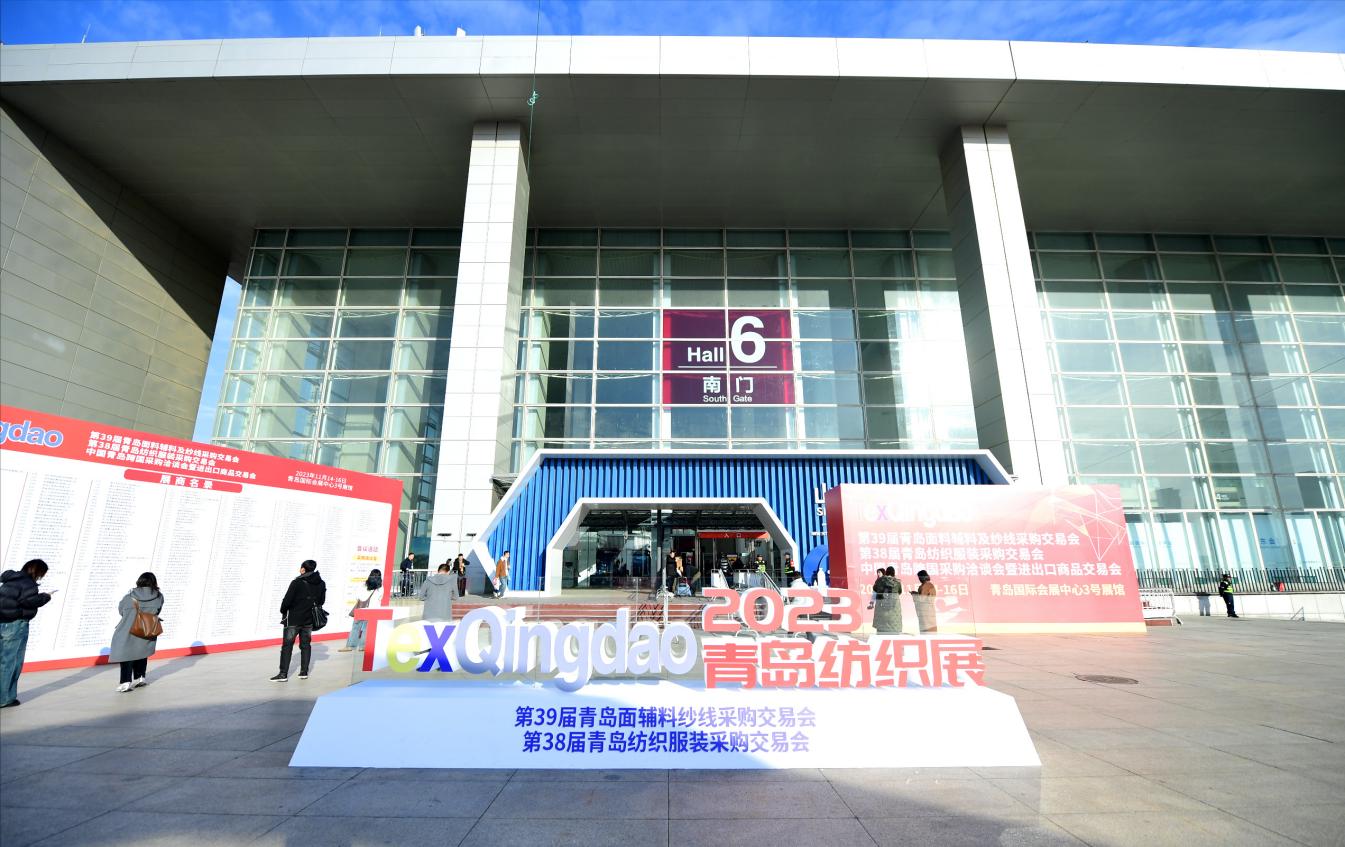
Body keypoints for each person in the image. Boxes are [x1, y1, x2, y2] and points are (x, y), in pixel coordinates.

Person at [0, 559, 52, 708]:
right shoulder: (28, 584)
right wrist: (45, 597)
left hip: (3, 623)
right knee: (12, 662)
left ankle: (7, 697)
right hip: (16, 625)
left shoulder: (10, 579)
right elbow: (29, 601)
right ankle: (4, 698)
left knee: (5, 660)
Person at [109, 572, 164, 692]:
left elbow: (121, 610)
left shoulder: (129, 596)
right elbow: (158, 610)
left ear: (139, 581)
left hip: (127, 629)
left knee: (126, 654)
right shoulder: (159, 596)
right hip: (147, 629)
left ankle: (125, 682)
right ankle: (140, 678)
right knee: (141, 651)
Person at [272, 560, 326, 681]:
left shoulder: (297, 582)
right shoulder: (321, 583)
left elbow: (287, 601)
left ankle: (283, 674)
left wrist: (283, 610)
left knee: (287, 646)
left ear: (303, 569)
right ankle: (304, 672)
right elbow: (321, 601)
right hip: (309, 619)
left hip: (293, 619)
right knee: (305, 645)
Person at [339, 568, 382, 652]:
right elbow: (379, 599)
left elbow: (358, 596)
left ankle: (350, 646)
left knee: (356, 627)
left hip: (361, 609)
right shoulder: (380, 587)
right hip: (372, 610)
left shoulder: (364, 584)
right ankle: (363, 646)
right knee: (366, 628)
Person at [872, 566, 903, 633]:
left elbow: (875, 588)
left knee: (881, 628)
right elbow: (900, 592)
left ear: (886, 572)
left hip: (881, 605)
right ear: (893, 573)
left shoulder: (880, 580)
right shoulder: (897, 582)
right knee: (894, 624)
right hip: (894, 606)